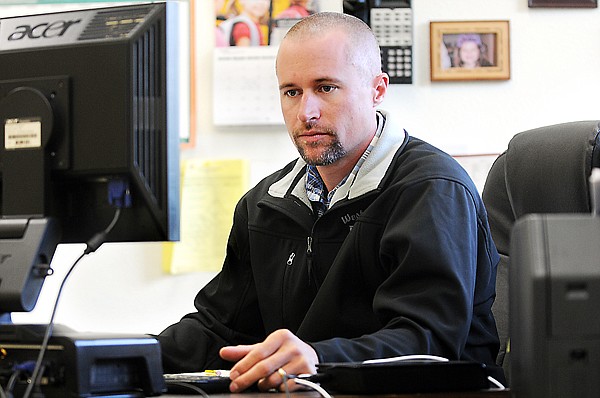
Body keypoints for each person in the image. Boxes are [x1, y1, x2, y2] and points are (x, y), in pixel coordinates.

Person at [156, 11, 503, 393]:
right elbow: (219, 329)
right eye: (292, 92)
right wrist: (120, 355)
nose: (306, 112)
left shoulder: (431, 189)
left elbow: (430, 343)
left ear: (378, 90)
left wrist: (319, 360)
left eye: (325, 88)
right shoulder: (264, 205)